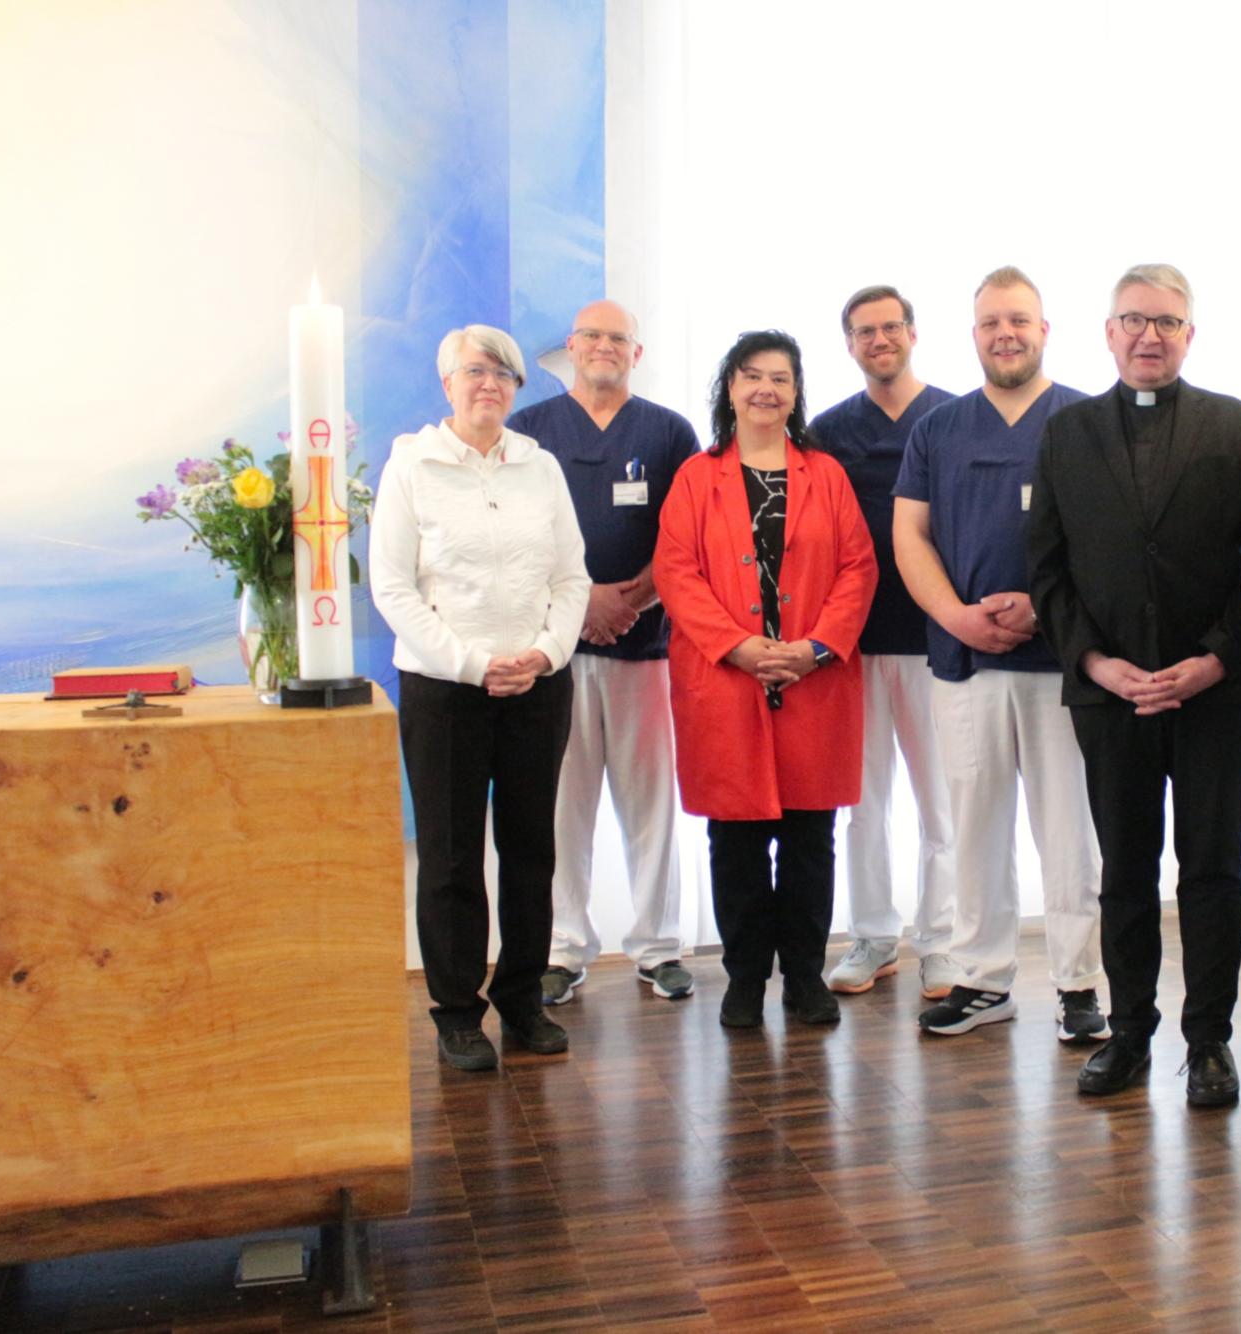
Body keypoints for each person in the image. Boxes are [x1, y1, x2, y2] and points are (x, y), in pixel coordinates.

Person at [1029, 263, 1241, 1106]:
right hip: (1111, 694)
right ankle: (1129, 1034)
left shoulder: (1237, 427)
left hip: (1216, 692)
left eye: (1166, 322)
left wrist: (1213, 657)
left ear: (1190, 335)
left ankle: (1209, 1044)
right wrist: (1096, 663)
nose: (1149, 336)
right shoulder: (1065, 434)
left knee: (1208, 870)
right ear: (1108, 332)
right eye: (1133, 320)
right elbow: (1047, 571)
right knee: (1125, 871)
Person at [893, 266, 1107, 1042]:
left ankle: (1080, 983)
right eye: (990, 323)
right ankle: (982, 979)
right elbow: (909, 535)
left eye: (1018, 319)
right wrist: (956, 616)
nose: (1005, 334)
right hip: (967, 664)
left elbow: (1112, 546)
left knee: (1069, 832)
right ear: (973, 335)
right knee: (974, 827)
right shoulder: (939, 430)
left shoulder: (1086, 422)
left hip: (1063, 667)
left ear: (1045, 329)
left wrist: (1047, 612)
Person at [371, 324, 591, 1072]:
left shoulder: (542, 469)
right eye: (475, 371)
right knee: (452, 856)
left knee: (530, 849)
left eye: (504, 374)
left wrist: (545, 652)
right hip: (445, 692)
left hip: (538, 684)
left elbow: (572, 579)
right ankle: (458, 1013)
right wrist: (471, 663)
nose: (489, 384)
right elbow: (393, 588)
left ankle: (524, 1001)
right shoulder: (412, 467)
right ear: (448, 384)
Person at [652, 330, 878, 1030]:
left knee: (812, 842)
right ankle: (745, 979)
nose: (765, 390)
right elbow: (677, 572)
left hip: (813, 681)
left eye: (780, 378)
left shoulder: (826, 474)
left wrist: (816, 647)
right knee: (737, 844)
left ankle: (805, 978)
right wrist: (737, 646)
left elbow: (857, 569)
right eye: (751, 376)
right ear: (729, 387)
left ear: (796, 392)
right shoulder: (696, 477)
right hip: (727, 682)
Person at [508, 300, 700, 1008]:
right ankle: (564, 948)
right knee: (564, 807)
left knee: (649, 804)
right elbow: (517, 538)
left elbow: (685, 539)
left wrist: (630, 602)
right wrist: (581, 603)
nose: (604, 347)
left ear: (636, 354)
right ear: (571, 346)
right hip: (553, 651)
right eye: (592, 335)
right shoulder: (528, 432)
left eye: (619, 337)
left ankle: (658, 947)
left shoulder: (668, 433)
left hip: (645, 650)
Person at [809, 285, 959, 1001]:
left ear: (912, 333)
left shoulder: (956, 418)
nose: (879, 340)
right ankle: (873, 936)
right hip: (856, 646)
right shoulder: (829, 431)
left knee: (944, 803)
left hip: (939, 641)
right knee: (863, 802)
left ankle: (941, 941)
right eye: (865, 331)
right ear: (850, 344)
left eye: (890, 327)